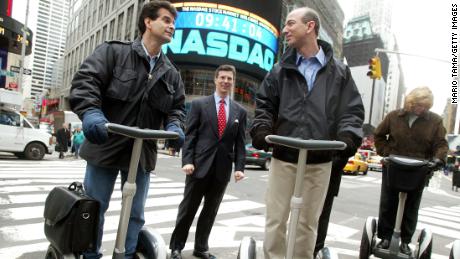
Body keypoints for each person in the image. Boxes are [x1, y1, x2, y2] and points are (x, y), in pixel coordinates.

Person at [69, 1, 185, 258]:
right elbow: (86, 81)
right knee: (94, 208)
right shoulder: (113, 52)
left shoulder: (171, 73)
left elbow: (177, 108)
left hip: (141, 152)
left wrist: (175, 125)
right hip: (105, 144)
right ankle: (90, 255)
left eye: (173, 22)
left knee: (135, 213)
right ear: (148, 22)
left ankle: (126, 254)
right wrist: (91, 113)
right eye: (166, 20)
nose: (171, 26)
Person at [250, 7, 364, 259]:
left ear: (310, 26)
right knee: (276, 221)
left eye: (291, 24)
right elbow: (265, 104)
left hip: (320, 159)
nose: (286, 30)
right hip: (284, 156)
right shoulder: (280, 69)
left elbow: (351, 111)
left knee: (307, 224)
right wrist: (262, 128)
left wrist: (347, 137)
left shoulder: (339, 72)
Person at [169, 65, 247, 259]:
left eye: (229, 78)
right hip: (198, 167)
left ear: (233, 81)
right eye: (222, 77)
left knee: (210, 211)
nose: (225, 81)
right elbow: (191, 135)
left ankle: (201, 248)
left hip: (222, 170)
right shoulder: (199, 105)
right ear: (215, 79)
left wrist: (239, 167)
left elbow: (240, 142)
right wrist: (187, 161)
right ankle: (176, 248)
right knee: (188, 209)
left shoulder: (240, 111)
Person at [374, 86, 448, 255]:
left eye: (425, 106)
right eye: (419, 105)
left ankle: (406, 241)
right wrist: (386, 153)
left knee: (412, 205)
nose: (421, 109)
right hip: (394, 165)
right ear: (410, 102)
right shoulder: (394, 116)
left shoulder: (435, 121)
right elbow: (379, 135)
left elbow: (441, 144)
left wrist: (437, 160)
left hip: (419, 168)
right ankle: (385, 237)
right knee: (388, 202)